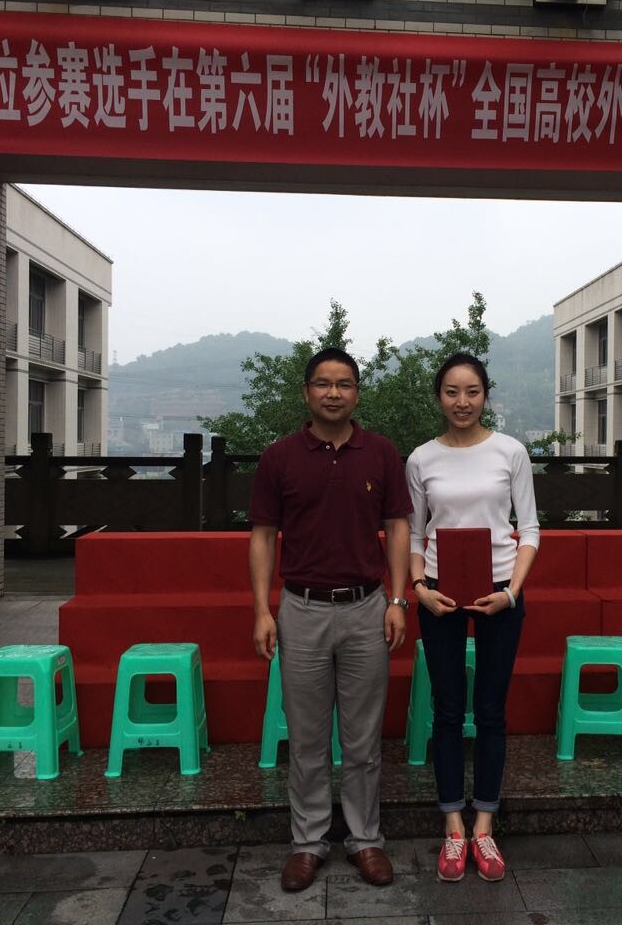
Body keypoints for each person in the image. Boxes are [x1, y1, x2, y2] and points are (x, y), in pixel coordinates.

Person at [249, 347, 412, 893]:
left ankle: (365, 839)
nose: (334, 393)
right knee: (307, 737)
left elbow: (398, 526)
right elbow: (263, 537)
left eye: (344, 384)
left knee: (363, 738)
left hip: (368, 607)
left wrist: (397, 600)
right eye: (323, 383)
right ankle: (308, 842)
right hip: (301, 610)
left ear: (357, 393)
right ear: (306, 392)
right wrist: (262, 610)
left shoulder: (381, 453)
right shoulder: (279, 457)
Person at [405, 352, 540, 883]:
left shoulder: (510, 451)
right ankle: (453, 826)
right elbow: (415, 534)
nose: (462, 402)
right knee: (446, 709)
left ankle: (484, 822)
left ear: (486, 395)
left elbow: (529, 530)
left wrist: (512, 592)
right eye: (452, 392)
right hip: (440, 591)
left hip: (500, 590)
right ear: (438, 397)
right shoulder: (421, 459)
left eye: (472, 391)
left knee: (489, 710)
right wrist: (420, 589)